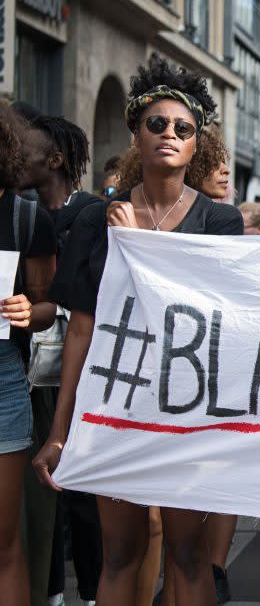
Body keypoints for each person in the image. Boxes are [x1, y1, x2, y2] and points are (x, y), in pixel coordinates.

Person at [34, 54, 243, 606]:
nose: (169, 135)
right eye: (157, 124)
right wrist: (62, 429)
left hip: (185, 409)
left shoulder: (220, 223)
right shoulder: (92, 220)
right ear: (135, 133)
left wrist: (141, 248)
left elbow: (219, 319)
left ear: (199, 144)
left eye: (184, 128)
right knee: (120, 553)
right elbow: (80, 331)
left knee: (187, 553)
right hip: (116, 405)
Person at [16, 110, 104, 606]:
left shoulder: (94, 213)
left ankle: (92, 593)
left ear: (54, 158)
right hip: (29, 376)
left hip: (81, 371)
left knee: (84, 499)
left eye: (24, 150)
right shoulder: (23, 216)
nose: (15, 158)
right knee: (41, 494)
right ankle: (50, 592)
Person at [0, 99, 58, 606]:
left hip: (3, 380)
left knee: (3, 541)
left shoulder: (25, 217)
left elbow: (48, 306)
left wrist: (26, 309)